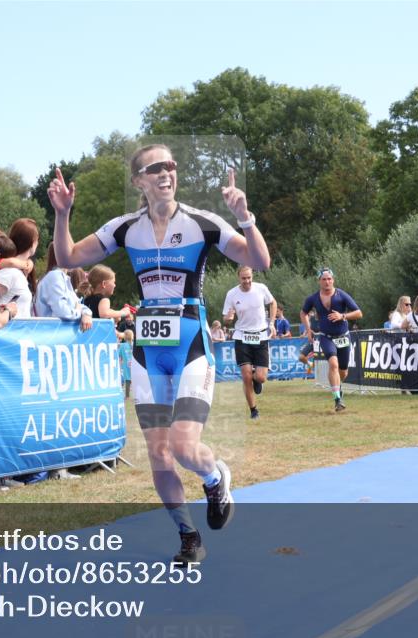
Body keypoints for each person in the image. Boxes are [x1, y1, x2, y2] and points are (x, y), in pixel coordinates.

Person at [48, 143, 270, 565]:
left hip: (190, 344)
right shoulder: (125, 227)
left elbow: (259, 259)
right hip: (149, 350)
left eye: (170, 165)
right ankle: (188, 535)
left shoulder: (202, 222)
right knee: (159, 453)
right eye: (155, 168)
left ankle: (214, 475)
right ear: (139, 181)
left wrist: (244, 217)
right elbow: (67, 257)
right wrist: (62, 215)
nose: (166, 173)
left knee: (185, 447)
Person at [300, 267, 363, 412]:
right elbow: (303, 313)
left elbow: (359, 313)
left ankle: (337, 388)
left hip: (343, 337)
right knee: (333, 365)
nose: (327, 282)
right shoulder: (313, 298)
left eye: (329, 279)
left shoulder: (342, 295)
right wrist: (308, 330)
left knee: (343, 372)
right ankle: (337, 399)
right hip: (326, 337)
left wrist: (343, 316)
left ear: (333, 280)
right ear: (319, 281)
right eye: (324, 279)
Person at [223, 265, 276, 420]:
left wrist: (271, 323)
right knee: (245, 375)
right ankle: (254, 410)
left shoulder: (261, 288)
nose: (247, 281)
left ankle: (256, 379)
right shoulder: (232, 294)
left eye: (249, 278)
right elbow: (226, 318)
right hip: (242, 337)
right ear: (238, 278)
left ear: (252, 276)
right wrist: (228, 318)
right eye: (243, 278)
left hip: (260, 336)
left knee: (261, 377)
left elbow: (273, 303)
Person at [34, 243, 91, 330]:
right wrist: (78, 311)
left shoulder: (62, 277)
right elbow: (63, 312)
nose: (76, 257)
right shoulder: (55, 276)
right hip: (50, 334)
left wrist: (86, 313)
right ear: (63, 254)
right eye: (73, 252)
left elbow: (77, 304)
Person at [119, 329, 134, 399]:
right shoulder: (134, 344)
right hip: (134, 365)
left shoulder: (122, 346)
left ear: (124, 337)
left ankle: (127, 396)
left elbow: (119, 355)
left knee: (127, 380)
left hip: (126, 365)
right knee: (135, 379)